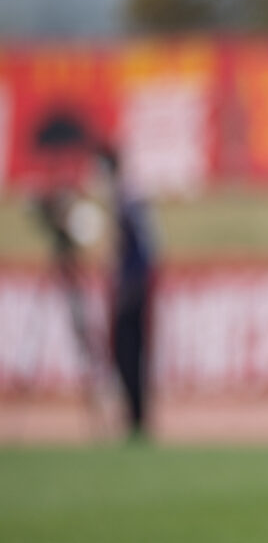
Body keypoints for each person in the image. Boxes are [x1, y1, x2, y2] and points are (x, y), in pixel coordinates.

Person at [94, 144, 158, 442]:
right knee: (126, 352)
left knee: (130, 351)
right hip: (130, 284)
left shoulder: (129, 199)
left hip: (134, 286)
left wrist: (134, 281)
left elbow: (149, 245)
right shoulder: (124, 197)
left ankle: (137, 417)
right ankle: (133, 415)